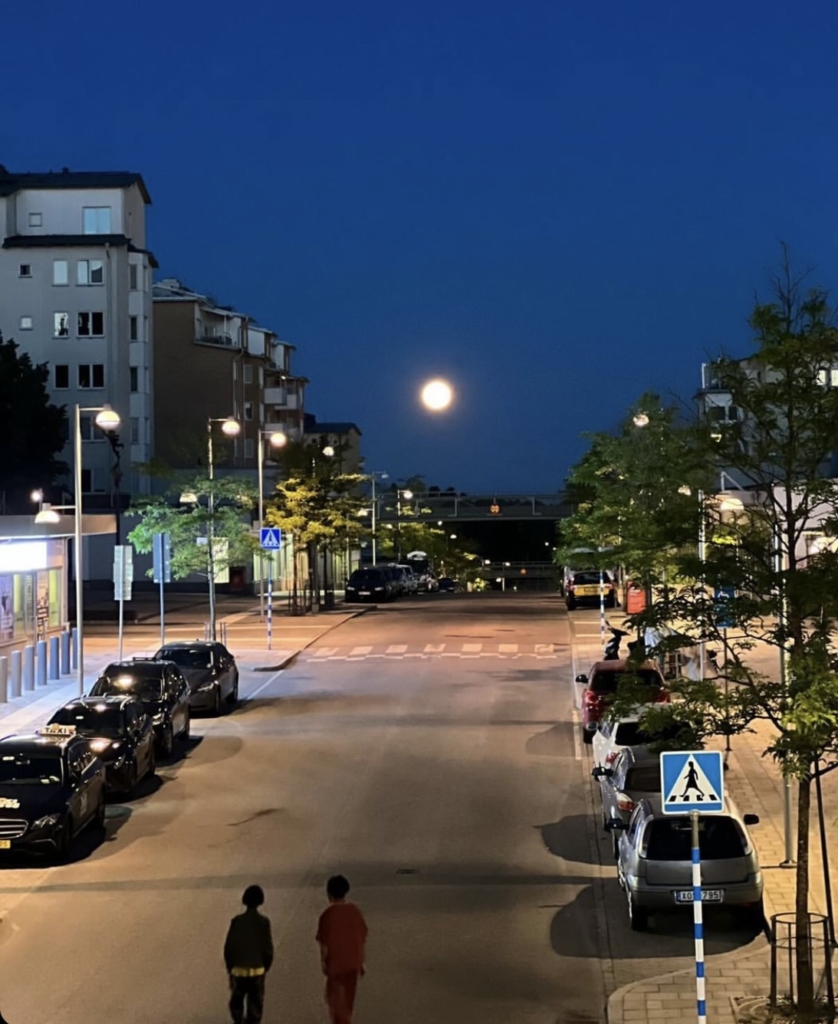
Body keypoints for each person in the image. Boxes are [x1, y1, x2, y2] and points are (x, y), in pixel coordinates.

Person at [316, 875, 368, 1024]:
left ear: (329, 894)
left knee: (336, 1002)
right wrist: (360, 961)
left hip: (337, 965)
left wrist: (324, 962)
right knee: (348, 999)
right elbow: (361, 936)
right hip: (353, 963)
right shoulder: (354, 911)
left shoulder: (327, 915)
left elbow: (324, 942)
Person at [224, 884, 274, 1024]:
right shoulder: (263, 923)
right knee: (255, 1004)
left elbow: (229, 947)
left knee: (237, 1001)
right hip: (257, 970)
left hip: (238, 970)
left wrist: (230, 968)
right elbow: (267, 949)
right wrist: (265, 966)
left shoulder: (236, 921)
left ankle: (238, 1019)